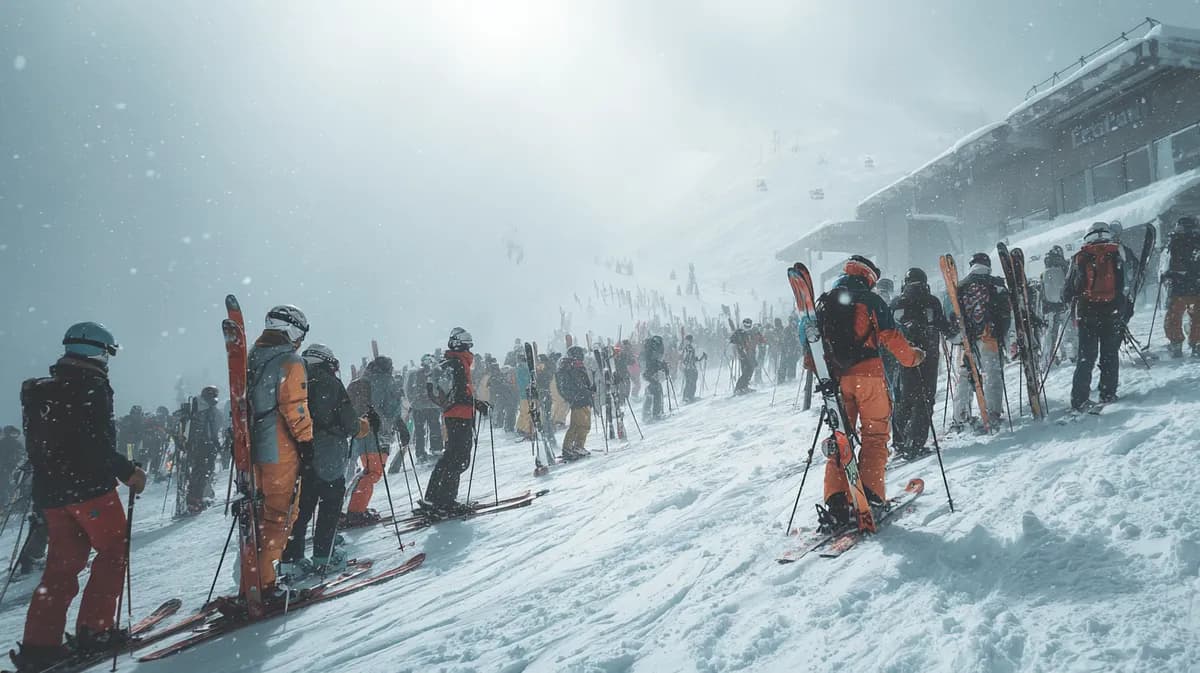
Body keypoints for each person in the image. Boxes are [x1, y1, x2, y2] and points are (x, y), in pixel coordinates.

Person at [12, 322, 147, 670]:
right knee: (114, 548)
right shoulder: (91, 387)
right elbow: (94, 444)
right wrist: (127, 470)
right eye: (108, 352)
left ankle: (39, 646)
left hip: (52, 493)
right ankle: (96, 629)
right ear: (98, 351)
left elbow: (45, 443)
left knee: (61, 566)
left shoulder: (39, 390)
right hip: (89, 490)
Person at [806, 257, 924, 532]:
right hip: (869, 377)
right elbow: (891, 337)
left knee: (840, 439)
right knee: (875, 436)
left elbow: (812, 346)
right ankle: (871, 496)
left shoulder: (826, 303)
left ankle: (836, 502)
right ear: (868, 276)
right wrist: (913, 358)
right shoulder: (870, 301)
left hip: (837, 382)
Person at [280, 345, 370, 581]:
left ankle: (292, 559)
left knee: (302, 508)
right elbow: (349, 423)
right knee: (329, 506)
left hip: (299, 456)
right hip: (328, 454)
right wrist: (363, 426)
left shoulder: (293, 382)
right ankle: (324, 556)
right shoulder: (330, 383)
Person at [244, 305, 313, 605]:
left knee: (259, 518)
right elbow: (295, 406)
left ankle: (254, 580)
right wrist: (307, 441)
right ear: (293, 330)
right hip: (280, 450)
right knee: (279, 518)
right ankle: (266, 585)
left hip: (253, 452)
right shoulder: (289, 361)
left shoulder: (253, 359)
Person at [422, 328, 490, 516]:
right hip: (461, 415)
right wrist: (478, 404)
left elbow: (454, 393)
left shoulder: (448, 363)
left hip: (451, 415)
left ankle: (433, 497)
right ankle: (446, 501)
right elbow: (462, 394)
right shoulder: (459, 363)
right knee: (459, 459)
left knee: (449, 456)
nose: (470, 352)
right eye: (469, 347)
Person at [889, 267, 954, 459]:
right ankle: (916, 442)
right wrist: (953, 326)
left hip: (903, 356)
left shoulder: (896, 303)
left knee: (904, 398)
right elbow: (943, 326)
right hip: (928, 356)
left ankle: (900, 441)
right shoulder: (931, 301)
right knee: (925, 399)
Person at [1064, 223, 1126, 410]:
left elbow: (1068, 291)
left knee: (1086, 357)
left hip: (1087, 314)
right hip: (1111, 312)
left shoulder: (1080, 257)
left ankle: (1080, 398)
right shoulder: (1116, 254)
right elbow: (1122, 285)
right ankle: (1108, 393)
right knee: (1109, 354)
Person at [950, 252, 1011, 431]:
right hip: (989, 336)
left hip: (968, 340)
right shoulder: (997, 285)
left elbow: (953, 314)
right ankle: (992, 413)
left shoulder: (960, 286)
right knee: (992, 375)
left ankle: (961, 415)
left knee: (965, 375)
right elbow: (1006, 315)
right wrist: (1002, 335)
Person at [1161, 215, 1200, 358]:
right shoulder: (1197, 241)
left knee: (1173, 317)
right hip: (1197, 285)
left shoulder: (1174, 242)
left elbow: (1166, 264)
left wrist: (1166, 276)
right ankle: (1197, 343)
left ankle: (1176, 343)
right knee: (1198, 316)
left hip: (1178, 287)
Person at [183, 386, 222, 514]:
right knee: (203, 473)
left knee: (198, 473)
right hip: (205, 446)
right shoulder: (208, 410)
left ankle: (193, 500)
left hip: (196, 446)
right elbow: (212, 431)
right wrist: (216, 444)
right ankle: (197, 501)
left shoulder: (196, 408)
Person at [556, 346, 595, 460]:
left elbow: (584, 383)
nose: (580, 361)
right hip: (578, 401)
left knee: (585, 425)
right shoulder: (567, 369)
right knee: (576, 425)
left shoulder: (579, 367)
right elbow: (565, 387)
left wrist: (590, 389)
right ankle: (568, 448)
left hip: (585, 400)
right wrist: (576, 395)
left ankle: (579, 446)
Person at [1040, 245, 1074, 366]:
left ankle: (1050, 358)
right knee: (1068, 331)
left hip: (1050, 308)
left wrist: (1044, 308)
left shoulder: (1045, 271)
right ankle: (1071, 355)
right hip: (1064, 305)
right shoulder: (1065, 266)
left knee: (1051, 335)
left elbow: (1042, 292)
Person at [405, 355, 443, 462]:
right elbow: (440, 387)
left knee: (420, 431)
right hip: (432, 406)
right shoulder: (436, 372)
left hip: (419, 407)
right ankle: (436, 449)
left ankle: (421, 453)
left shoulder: (414, 374)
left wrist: (413, 403)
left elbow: (408, 390)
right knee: (434, 428)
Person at [641, 335, 669, 420]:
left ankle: (648, 413)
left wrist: (661, 365)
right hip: (651, 373)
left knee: (655, 389)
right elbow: (654, 363)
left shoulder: (648, 350)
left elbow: (654, 362)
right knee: (657, 390)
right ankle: (655, 413)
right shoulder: (651, 351)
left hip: (649, 373)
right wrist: (662, 365)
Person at [730, 318, 759, 394]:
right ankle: (738, 388)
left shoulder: (749, 333)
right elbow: (732, 341)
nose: (747, 327)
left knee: (750, 370)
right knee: (746, 371)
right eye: (746, 325)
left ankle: (745, 386)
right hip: (743, 355)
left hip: (750, 354)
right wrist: (737, 348)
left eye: (749, 325)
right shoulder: (739, 332)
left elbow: (753, 342)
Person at [0, 425, 23, 507]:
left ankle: (7, 503)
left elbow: (22, 455)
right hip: (7, 469)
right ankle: (7, 504)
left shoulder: (15, 443)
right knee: (6, 487)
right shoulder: (5, 443)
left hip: (11, 468)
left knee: (6, 487)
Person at [680, 335, 706, 403]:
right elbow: (686, 359)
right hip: (689, 368)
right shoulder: (688, 348)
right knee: (690, 382)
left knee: (691, 382)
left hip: (690, 368)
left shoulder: (689, 348)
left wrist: (701, 357)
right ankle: (688, 397)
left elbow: (693, 359)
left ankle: (689, 396)